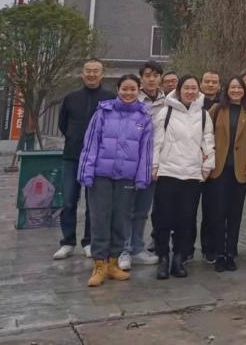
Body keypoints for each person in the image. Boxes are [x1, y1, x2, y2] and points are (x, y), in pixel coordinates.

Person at [77, 74, 153, 287]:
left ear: (139, 90)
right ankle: (99, 265)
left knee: (121, 220)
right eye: (124, 89)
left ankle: (113, 263)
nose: (128, 93)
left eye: (132, 89)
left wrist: (142, 177)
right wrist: (86, 171)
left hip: (126, 177)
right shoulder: (103, 112)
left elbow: (146, 151)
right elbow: (90, 143)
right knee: (100, 219)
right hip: (101, 175)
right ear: (118, 90)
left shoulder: (144, 117)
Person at [151, 75, 215, 280]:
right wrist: (154, 166)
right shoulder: (166, 112)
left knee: (186, 219)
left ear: (198, 90)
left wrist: (208, 165)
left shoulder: (203, 115)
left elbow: (208, 142)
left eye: (193, 88)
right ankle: (163, 257)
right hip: (167, 173)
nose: (190, 91)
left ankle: (179, 257)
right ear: (178, 90)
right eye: (186, 88)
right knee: (162, 218)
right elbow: (156, 142)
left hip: (191, 175)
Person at [54, 58, 115, 260]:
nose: (91, 74)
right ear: (82, 73)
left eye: (96, 71)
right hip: (72, 156)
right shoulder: (71, 98)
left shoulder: (110, 98)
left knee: (93, 204)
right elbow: (63, 124)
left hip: (98, 158)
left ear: (102, 74)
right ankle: (68, 242)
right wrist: (74, 138)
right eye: (88, 70)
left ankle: (89, 241)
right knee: (68, 201)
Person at [208, 75, 246, 272]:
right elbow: (206, 137)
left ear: (244, 91)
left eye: (240, 88)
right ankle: (218, 253)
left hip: (240, 170)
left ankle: (231, 253)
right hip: (218, 169)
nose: (236, 91)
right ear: (227, 89)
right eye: (233, 87)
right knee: (218, 213)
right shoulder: (216, 110)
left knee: (235, 213)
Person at [121, 60, 166, 270]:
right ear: (141, 78)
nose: (151, 79)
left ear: (160, 78)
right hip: (131, 162)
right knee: (126, 208)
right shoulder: (131, 99)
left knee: (141, 210)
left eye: (155, 75)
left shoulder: (168, 102)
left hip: (153, 164)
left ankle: (138, 248)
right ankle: (124, 249)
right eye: (147, 75)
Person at [195, 70, 222, 263]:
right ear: (201, 84)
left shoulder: (224, 105)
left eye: (214, 82)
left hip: (216, 164)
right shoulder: (193, 103)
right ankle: (185, 248)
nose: (211, 85)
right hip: (192, 162)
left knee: (212, 209)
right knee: (188, 209)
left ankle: (209, 247)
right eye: (207, 81)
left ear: (219, 85)